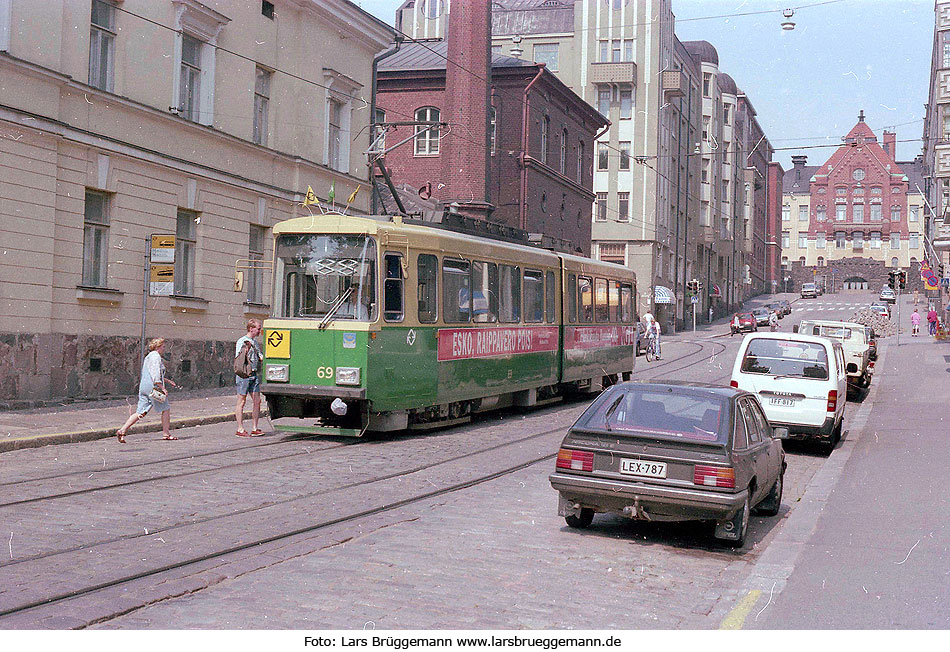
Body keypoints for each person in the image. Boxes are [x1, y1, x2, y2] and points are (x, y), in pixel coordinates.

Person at [116, 338, 177, 443]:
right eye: (163, 347)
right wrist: (162, 388)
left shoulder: (149, 357)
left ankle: (122, 430)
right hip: (153, 388)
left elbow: (151, 373)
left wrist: (167, 381)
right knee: (165, 408)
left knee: (140, 411)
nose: (164, 349)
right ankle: (166, 433)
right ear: (158, 347)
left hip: (144, 387)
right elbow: (155, 375)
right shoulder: (156, 357)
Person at [235, 319, 264, 437]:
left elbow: (260, 356)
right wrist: (245, 350)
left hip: (254, 375)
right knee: (241, 401)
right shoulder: (242, 341)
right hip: (244, 376)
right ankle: (240, 428)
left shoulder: (255, 342)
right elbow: (239, 359)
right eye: (258, 328)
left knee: (257, 401)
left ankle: (254, 427)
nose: (259, 331)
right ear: (251, 329)